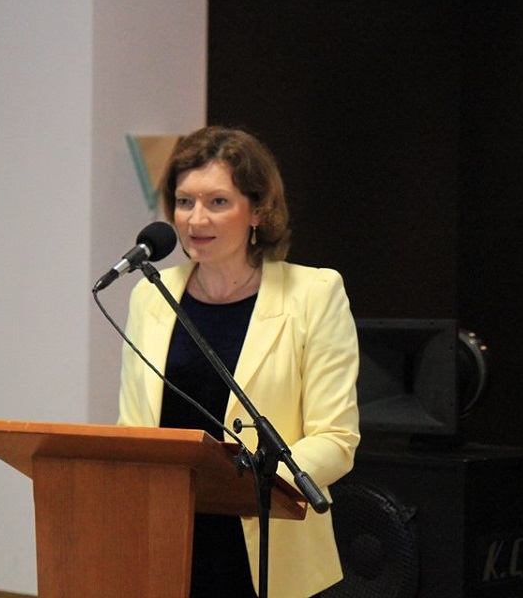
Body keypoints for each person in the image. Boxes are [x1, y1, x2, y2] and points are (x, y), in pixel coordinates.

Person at [117, 126, 360, 598]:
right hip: (169, 538)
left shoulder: (315, 294)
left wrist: (246, 488)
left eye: (217, 202)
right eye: (184, 201)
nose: (195, 219)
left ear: (259, 211)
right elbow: (134, 427)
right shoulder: (150, 296)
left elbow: (336, 438)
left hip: (268, 539)